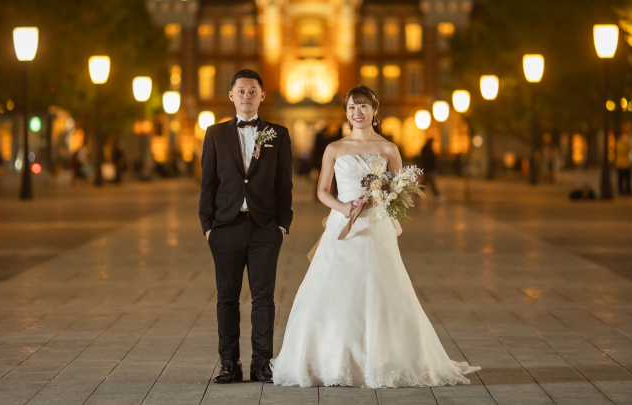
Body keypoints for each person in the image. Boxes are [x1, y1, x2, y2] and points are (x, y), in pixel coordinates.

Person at [273, 85, 480, 388]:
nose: (357, 113)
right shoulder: (334, 148)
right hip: (343, 225)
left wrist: (380, 199)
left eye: (363, 106)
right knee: (334, 288)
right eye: (351, 107)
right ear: (346, 113)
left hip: (376, 226)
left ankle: (382, 357)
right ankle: (332, 357)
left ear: (374, 110)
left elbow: (401, 189)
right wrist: (344, 207)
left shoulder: (388, 148)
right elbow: (322, 191)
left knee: (380, 287)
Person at [199, 69, 293, 384]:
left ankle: (261, 363)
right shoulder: (214, 134)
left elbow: (284, 184)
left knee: (264, 298)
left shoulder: (278, 134)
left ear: (262, 95)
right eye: (241, 91)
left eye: (253, 91)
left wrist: (283, 225)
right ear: (231, 96)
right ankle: (230, 363)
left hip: (265, 228)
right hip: (225, 227)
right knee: (227, 298)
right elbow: (208, 184)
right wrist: (208, 227)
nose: (247, 96)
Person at [615, 126, 632, 195]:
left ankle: (627, 190)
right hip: (621, 163)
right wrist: (626, 144)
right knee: (621, 179)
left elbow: (630, 148)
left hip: (626, 163)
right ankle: (621, 191)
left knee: (627, 178)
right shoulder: (620, 141)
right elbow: (621, 150)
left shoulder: (627, 140)